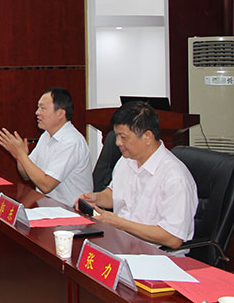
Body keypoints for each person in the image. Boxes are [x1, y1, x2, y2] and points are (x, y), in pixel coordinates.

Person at [77, 101, 197, 250]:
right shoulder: (127, 160)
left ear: (147, 136)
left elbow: (173, 238)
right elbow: (115, 194)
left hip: (156, 254)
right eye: (117, 136)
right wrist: (96, 198)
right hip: (121, 244)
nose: (117, 143)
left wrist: (119, 223)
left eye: (123, 137)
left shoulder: (174, 177)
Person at [0, 87, 92, 207]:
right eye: (38, 108)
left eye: (43, 108)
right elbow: (26, 175)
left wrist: (21, 154)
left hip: (70, 212)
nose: (37, 112)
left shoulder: (71, 141)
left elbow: (46, 185)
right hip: (47, 208)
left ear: (60, 113)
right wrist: (20, 157)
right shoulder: (46, 136)